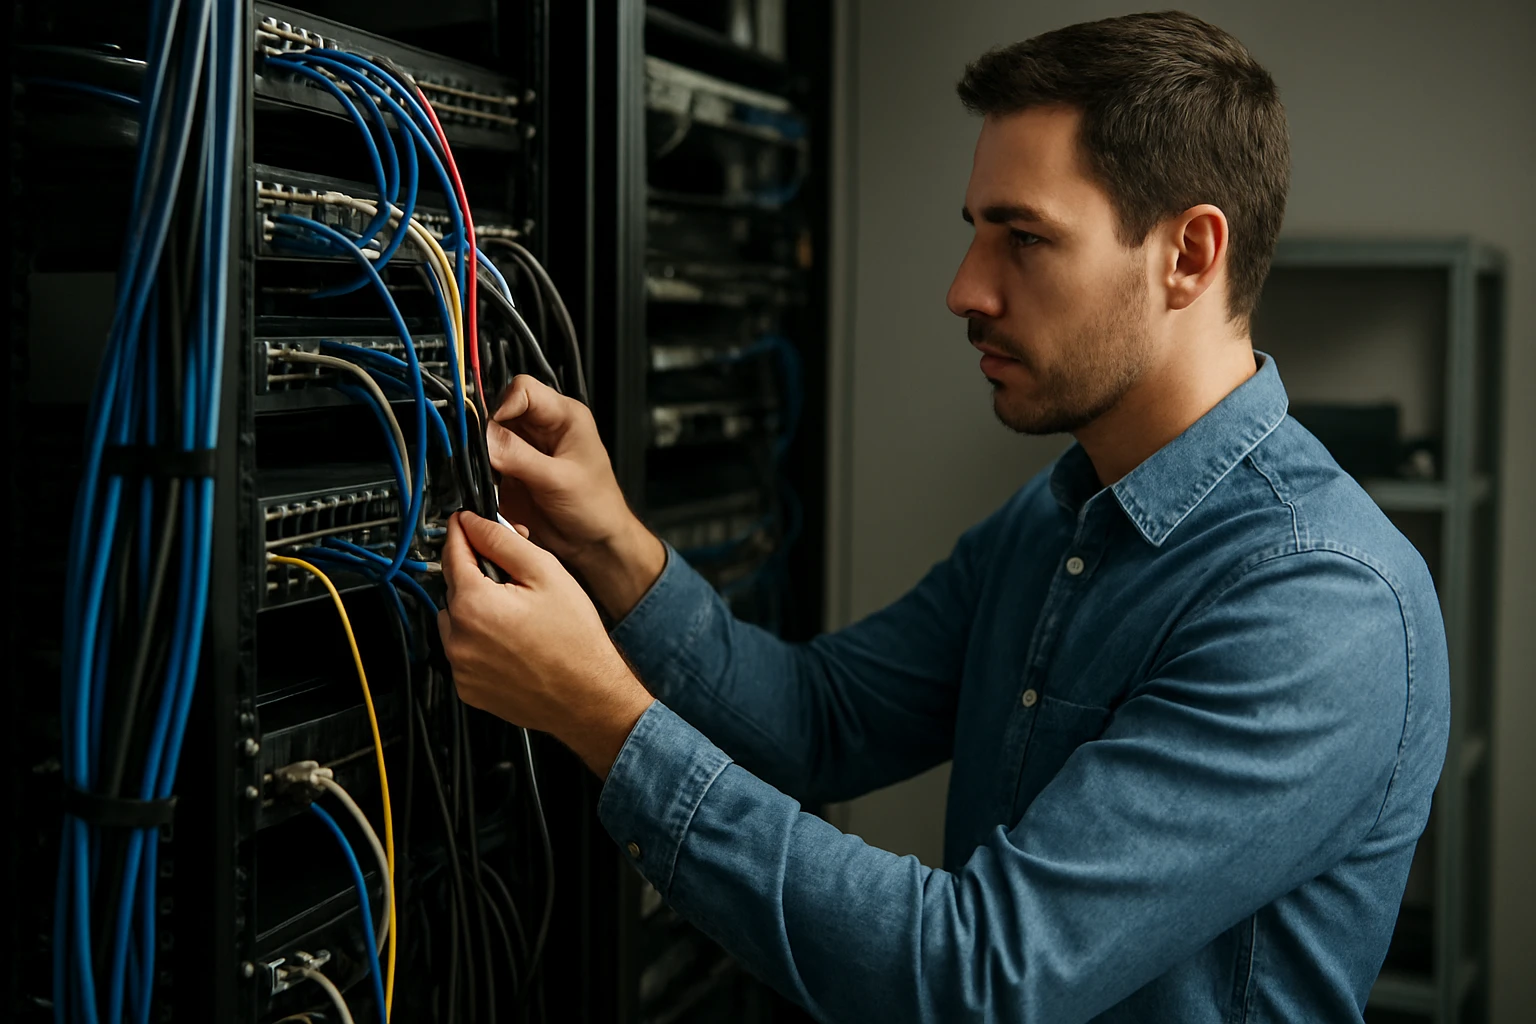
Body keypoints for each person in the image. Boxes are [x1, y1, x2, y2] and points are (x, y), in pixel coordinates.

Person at [437, 11, 1448, 1022]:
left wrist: (600, 718)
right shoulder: (1057, 520)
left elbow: (980, 976)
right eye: (975, 231)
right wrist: (611, 543)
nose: (967, 288)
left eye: (1024, 238)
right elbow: (821, 721)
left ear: (1189, 254)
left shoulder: (1320, 603)